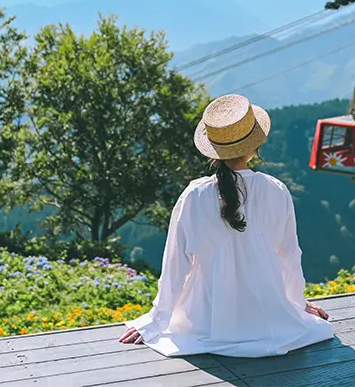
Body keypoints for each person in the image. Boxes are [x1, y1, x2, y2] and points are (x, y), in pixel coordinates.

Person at [119, 94, 334, 357]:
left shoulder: (194, 196)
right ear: (254, 146)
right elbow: (289, 255)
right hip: (268, 315)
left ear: (213, 150)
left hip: (206, 321)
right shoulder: (276, 190)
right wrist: (297, 304)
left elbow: (176, 264)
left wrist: (156, 319)